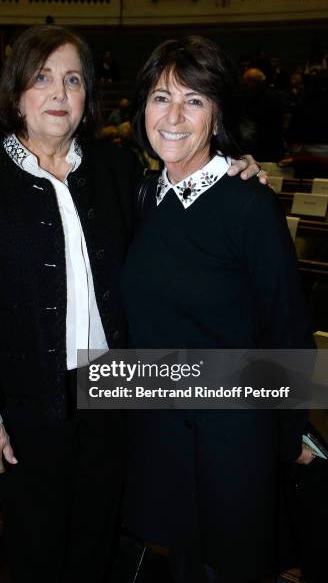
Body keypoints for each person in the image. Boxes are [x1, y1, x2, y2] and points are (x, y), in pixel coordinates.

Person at [0, 25, 264, 583]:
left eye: (73, 80)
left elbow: (173, 221)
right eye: (42, 79)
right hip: (25, 401)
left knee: (99, 538)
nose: (59, 95)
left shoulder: (117, 170)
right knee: (37, 547)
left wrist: (231, 173)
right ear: (17, 92)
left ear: (88, 96)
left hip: (113, 390)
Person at [121, 36, 316, 583]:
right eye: (161, 98)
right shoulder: (141, 197)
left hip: (234, 437)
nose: (175, 116)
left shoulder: (248, 204)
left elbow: (287, 325)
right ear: (142, 110)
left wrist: (287, 435)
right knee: (181, 563)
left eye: (195, 100)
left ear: (218, 112)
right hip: (160, 429)